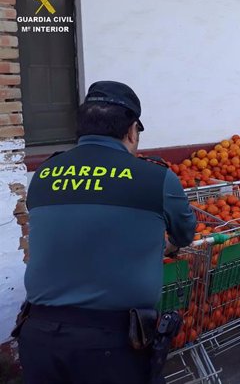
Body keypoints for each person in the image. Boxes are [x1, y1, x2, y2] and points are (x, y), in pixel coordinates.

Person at [14, 81, 197, 384]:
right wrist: (168, 246)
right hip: (110, 344)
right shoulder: (155, 178)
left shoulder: (45, 174)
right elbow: (184, 234)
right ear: (130, 131)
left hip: (38, 336)